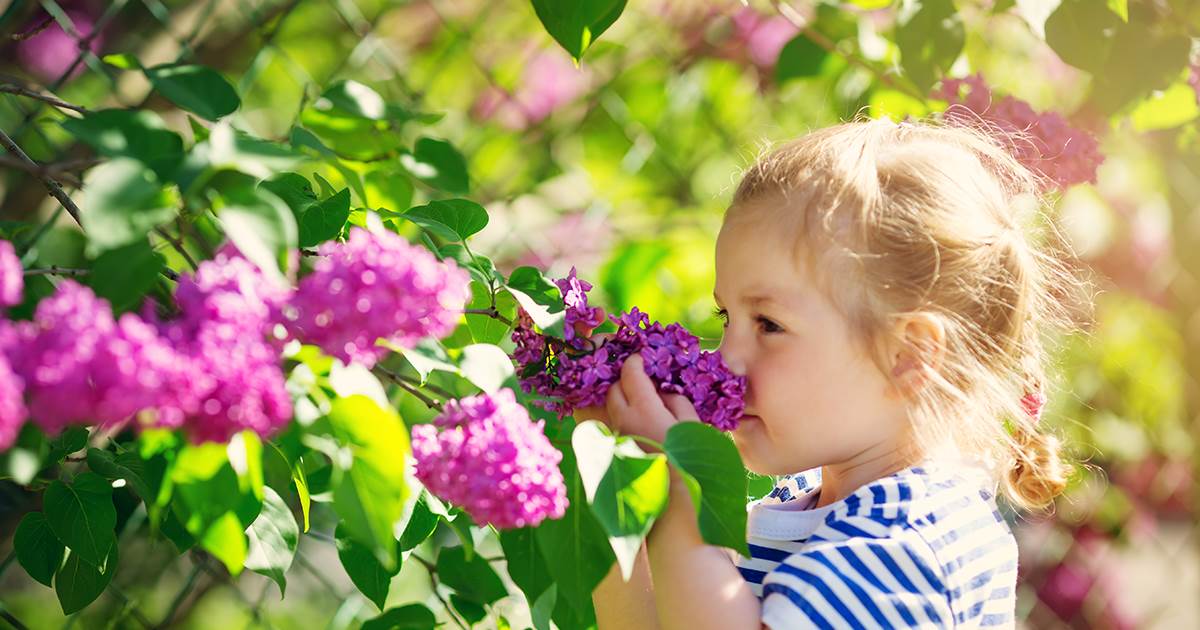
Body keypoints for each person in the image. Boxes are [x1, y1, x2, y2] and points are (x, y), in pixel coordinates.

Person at [582, 116, 1092, 629]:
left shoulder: (901, 548)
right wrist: (619, 497)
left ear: (907, 356)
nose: (725, 359)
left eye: (769, 324)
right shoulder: (825, 507)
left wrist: (678, 510)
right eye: (726, 317)